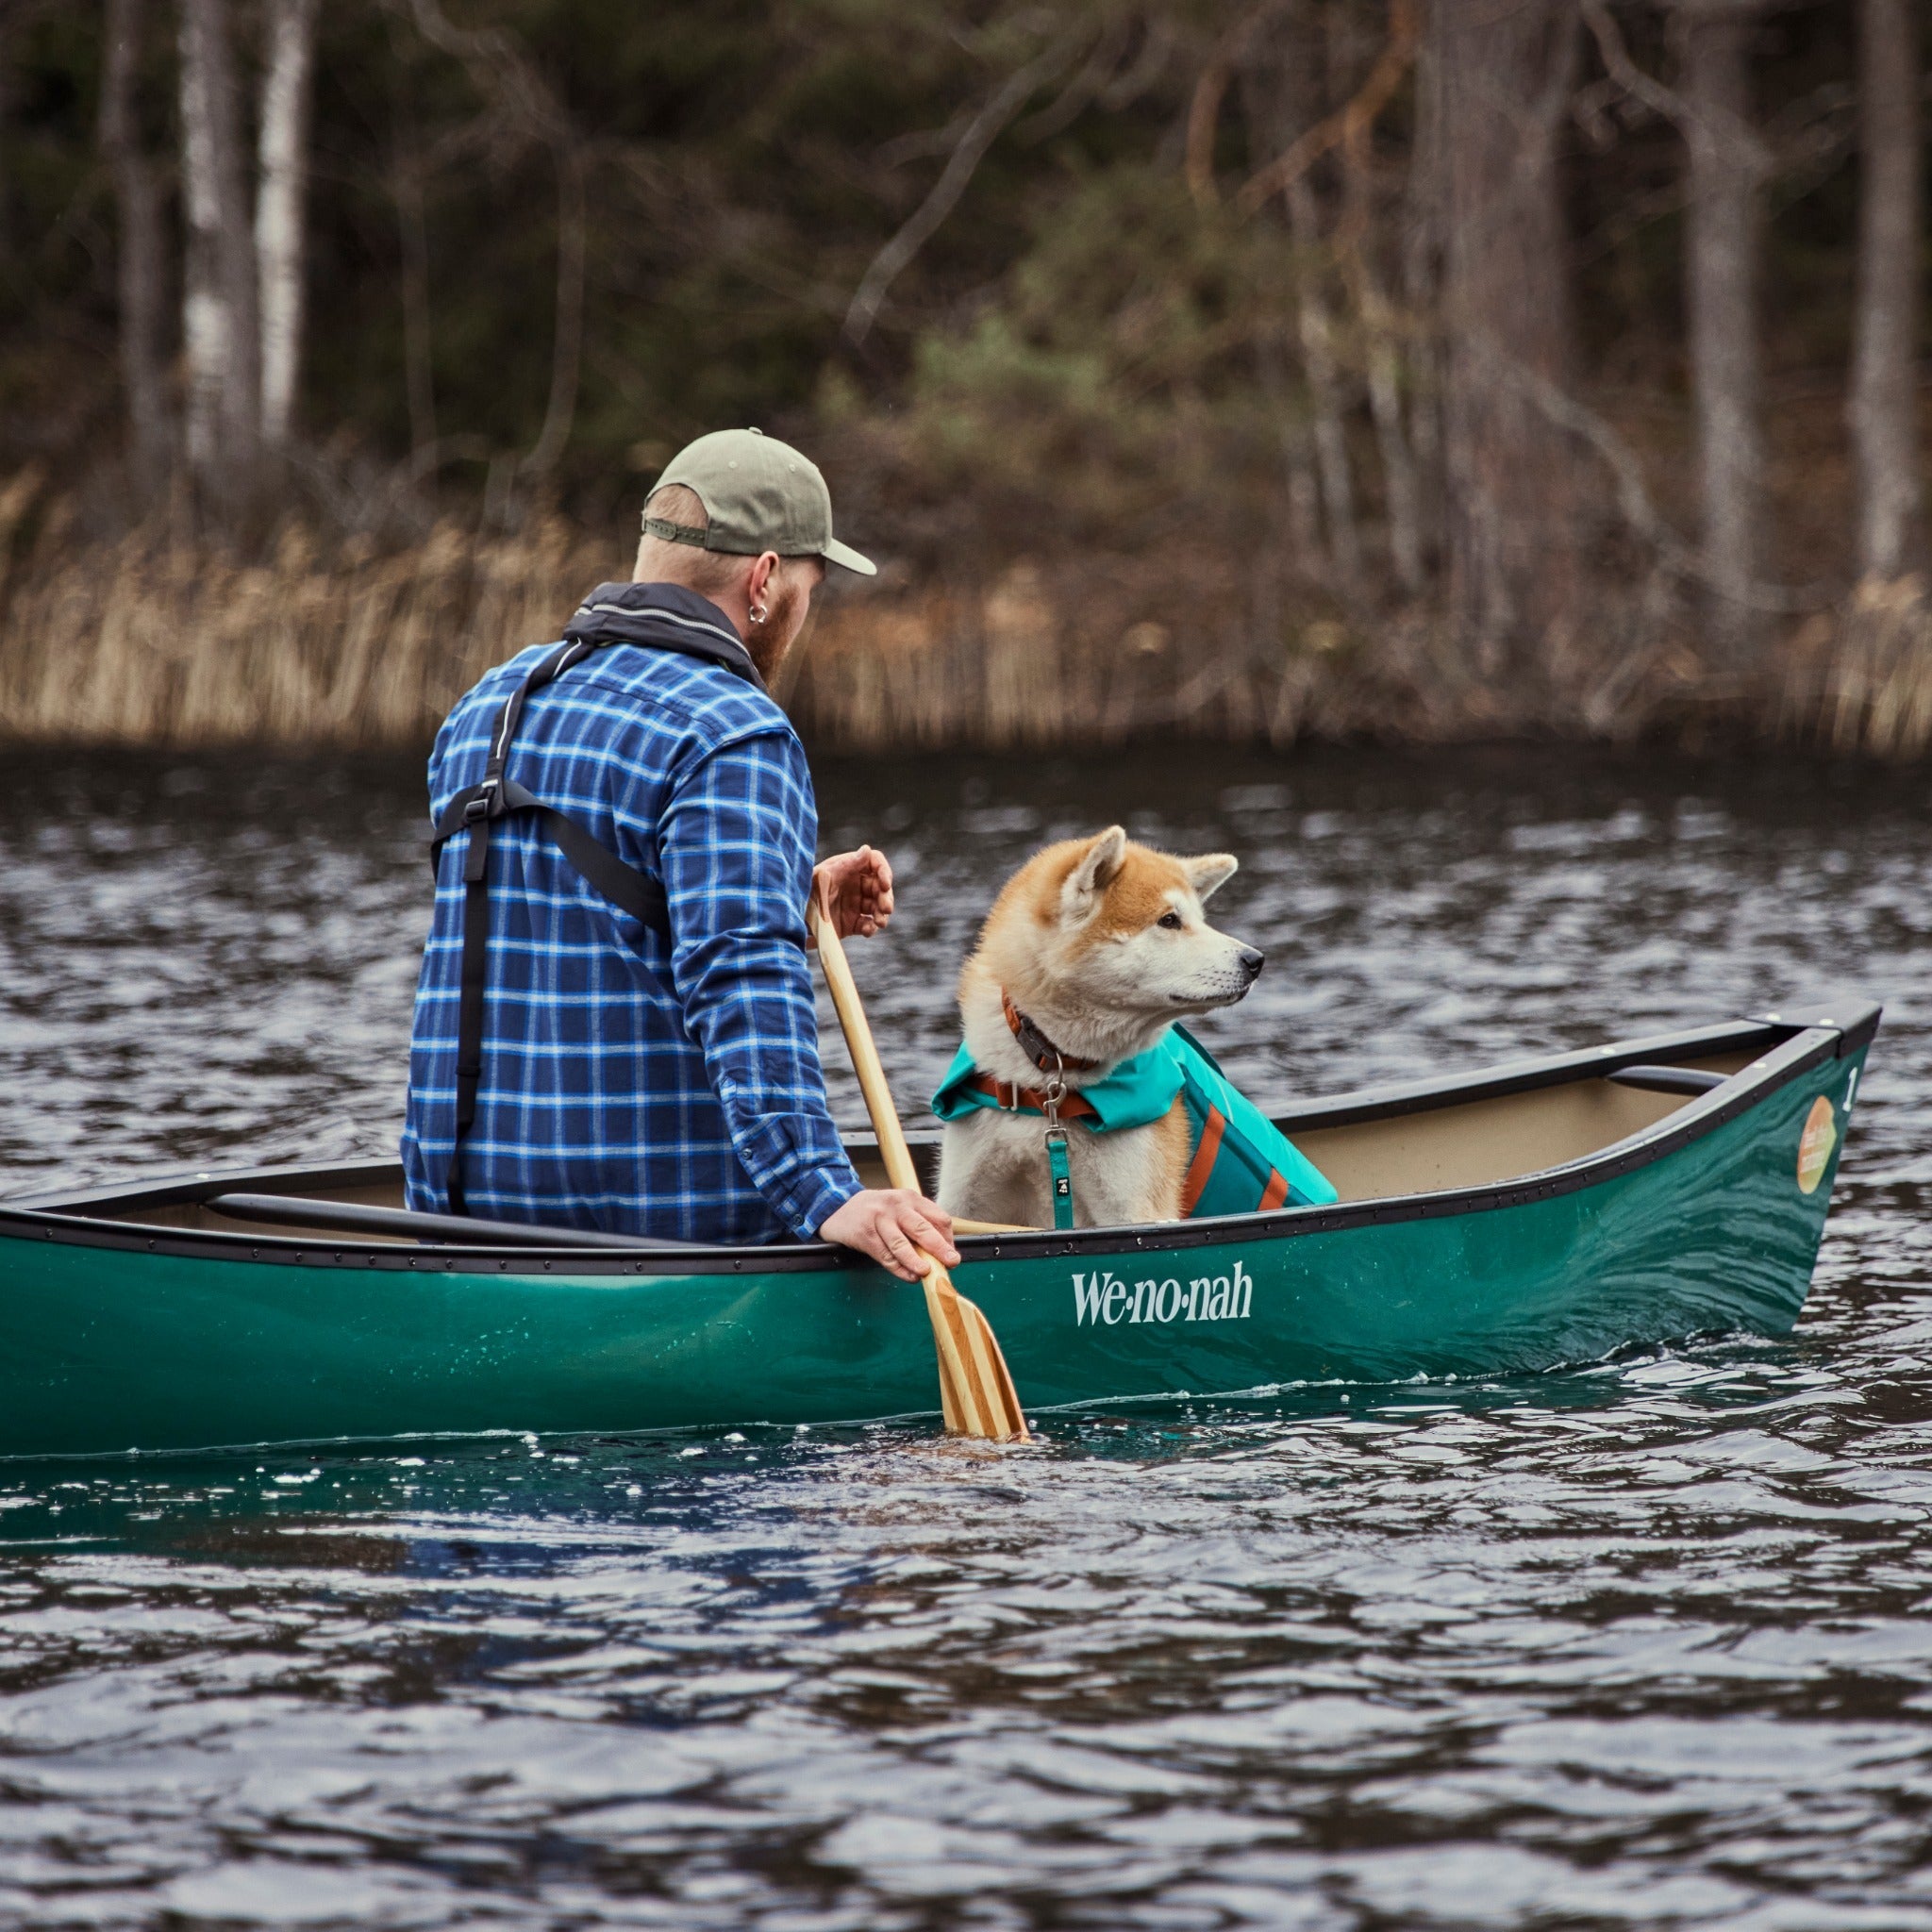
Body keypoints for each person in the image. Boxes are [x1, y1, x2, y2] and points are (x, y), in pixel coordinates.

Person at [400, 428, 958, 1281]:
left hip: (462, 1222)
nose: (805, 613)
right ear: (765, 580)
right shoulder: (733, 731)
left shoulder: (489, 704)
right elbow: (739, 974)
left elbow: (562, 922)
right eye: (811, 588)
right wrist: (824, 1194)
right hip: (661, 1233)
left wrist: (789, 903)